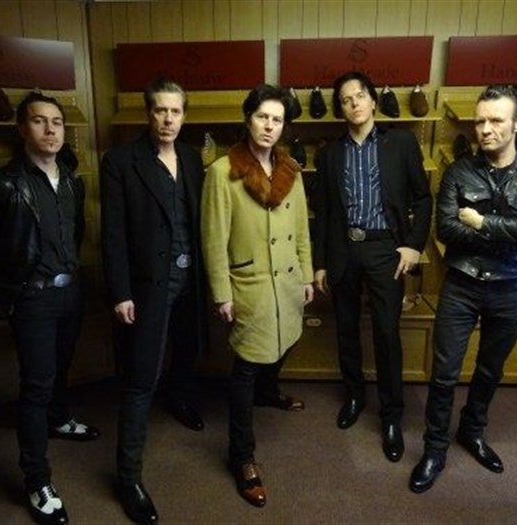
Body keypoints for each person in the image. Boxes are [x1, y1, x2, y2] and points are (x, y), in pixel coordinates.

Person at [409, 85, 517, 493]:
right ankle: (434, 448)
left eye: (496, 120)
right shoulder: (459, 172)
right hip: (462, 283)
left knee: (491, 370)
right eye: (480, 121)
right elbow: (447, 231)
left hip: (510, 286)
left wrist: (482, 222)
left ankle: (472, 432)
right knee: (444, 372)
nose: (486, 129)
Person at [0, 91, 99, 525]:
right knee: (37, 385)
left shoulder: (72, 182)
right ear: (23, 129)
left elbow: (73, 235)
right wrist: (1, 293)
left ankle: (59, 419)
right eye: (40, 121)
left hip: (69, 293)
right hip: (32, 298)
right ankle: (37, 480)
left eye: (56, 122)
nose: (50, 129)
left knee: (61, 369)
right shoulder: (3, 183)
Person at [201, 84, 314, 508]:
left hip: (287, 282)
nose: (269, 126)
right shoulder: (221, 172)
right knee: (246, 366)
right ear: (248, 119)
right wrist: (221, 293)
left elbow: (302, 229)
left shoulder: (291, 170)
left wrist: (306, 274)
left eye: (277, 119)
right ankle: (242, 456)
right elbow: (213, 239)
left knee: (286, 342)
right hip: (248, 284)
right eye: (262, 117)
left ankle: (269, 392)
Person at [99, 77, 207, 524]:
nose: (168, 119)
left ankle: (179, 398)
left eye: (175, 111)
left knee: (187, 350)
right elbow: (112, 233)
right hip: (148, 286)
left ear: (184, 116)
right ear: (148, 114)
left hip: (190, 281)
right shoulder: (120, 161)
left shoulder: (192, 158)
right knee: (141, 378)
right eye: (160, 110)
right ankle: (128, 477)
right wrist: (121, 291)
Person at [312, 71, 432, 462]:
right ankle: (354, 397)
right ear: (341, 109)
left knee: (385, 332)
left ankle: (391, 414)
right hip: (344, 249)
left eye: (360, 95)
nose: (354, 103)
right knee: (346, 329)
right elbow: (323, 212)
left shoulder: (401, 143)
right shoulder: (330, 154)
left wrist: (413, 245)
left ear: (374, 100)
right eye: (346, 99)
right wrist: (320, 263)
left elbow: (423, 197)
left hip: (385, 249)